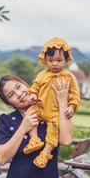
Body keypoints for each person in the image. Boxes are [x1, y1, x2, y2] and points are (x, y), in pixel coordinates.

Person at [0, 74, 72, 178]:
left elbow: (66, 140)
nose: (19, 94)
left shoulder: (51, 114)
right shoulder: (6, 121)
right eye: (11, 95)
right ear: (9, 102)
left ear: (26, 85)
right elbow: (1, 159)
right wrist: (23, 128)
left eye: (18, 87)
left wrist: (62, 103)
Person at [23, 37, 80, 168]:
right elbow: (35, 86)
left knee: (53, 131)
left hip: (55, 112)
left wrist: (72, 106)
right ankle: (34, 139)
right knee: (29, 114)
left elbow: (74, 95)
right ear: (45, 60)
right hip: (40, 106)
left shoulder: (69, 77)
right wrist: (32, 94)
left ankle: (45, 153)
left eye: (59, 60)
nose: (55, 63)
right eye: (51, 60)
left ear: (66, 60)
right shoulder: (42, 75)